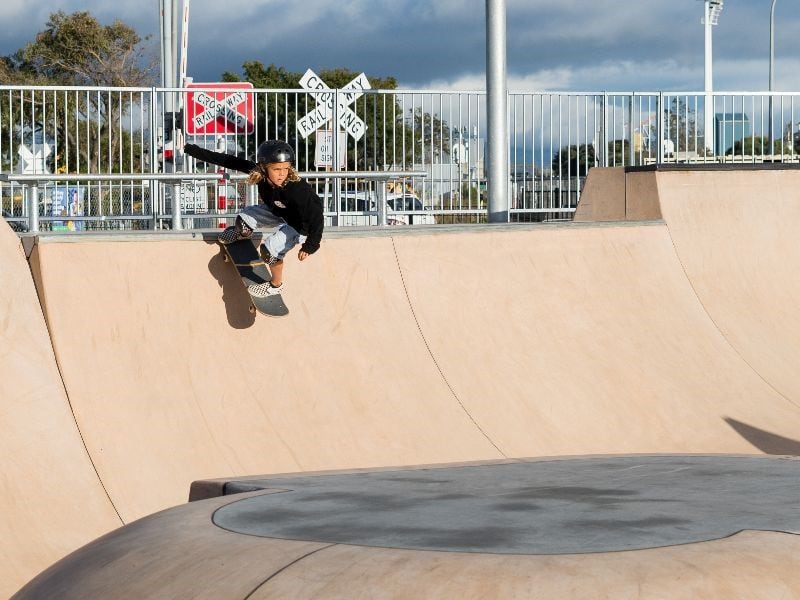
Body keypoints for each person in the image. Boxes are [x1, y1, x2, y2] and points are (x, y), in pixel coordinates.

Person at [183, 140, 323, 297]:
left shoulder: (297, 188)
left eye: (285, 168)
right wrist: (191, 150)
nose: (282, 174)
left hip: (300, 225)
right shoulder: (257, 172)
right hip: (278, 212)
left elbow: (317, 214)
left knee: (270, 251)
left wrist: (310, 245)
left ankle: (276, 285)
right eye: (276, 169)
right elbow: (228, 160)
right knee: (243, 220)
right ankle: (240, 233)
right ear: (263, 168)